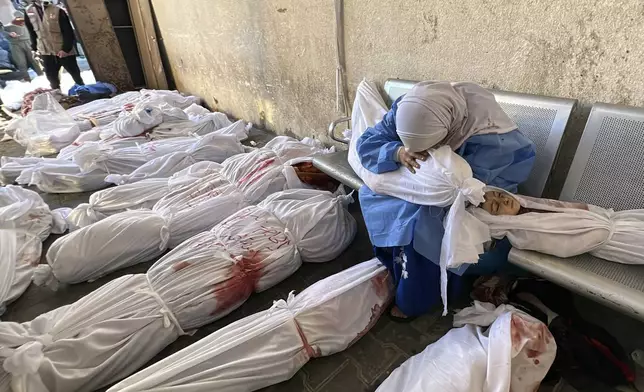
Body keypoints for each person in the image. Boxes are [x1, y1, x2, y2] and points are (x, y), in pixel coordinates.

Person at [356, 81, 536, 320]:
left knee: (421, 226)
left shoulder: (491, 137)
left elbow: (484, 187)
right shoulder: (410, 110)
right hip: (423, 187)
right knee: (373, 195)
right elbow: (369, 143)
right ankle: (396, 268)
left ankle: (414, 299)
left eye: (434, 144)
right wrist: (398, 152)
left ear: (449, 129)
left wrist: (435, 184)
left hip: (475, 194)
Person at [24, 0, 84, 90]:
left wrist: (65, 49)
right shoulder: (28, 11)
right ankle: (60, 97)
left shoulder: (57, 10)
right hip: (45, 51)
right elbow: (32, 32)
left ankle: (84, 92)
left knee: (75, 75)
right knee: (52, 79)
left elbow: (68, 31)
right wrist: (34, 48)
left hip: (62, 49)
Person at [3, 11, 43, 81]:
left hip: (27, 41)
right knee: (21, 63)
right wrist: (8, 34)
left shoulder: (22, 17)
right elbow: (2, 30)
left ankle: (42, 77)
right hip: (14, 44)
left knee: (34, 61)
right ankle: (27, 80)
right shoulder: (5, 22)